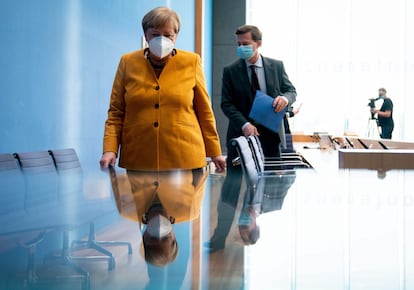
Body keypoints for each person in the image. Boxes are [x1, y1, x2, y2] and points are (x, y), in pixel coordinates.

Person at [99, 6, 226, 173]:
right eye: (155, 34)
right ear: (146, 35)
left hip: (185, 157)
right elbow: (116, 112)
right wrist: (110, 149)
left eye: (168, 35)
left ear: (176, 36)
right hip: (139, 157)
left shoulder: (191, 62)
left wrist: (215, 152)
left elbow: (204, 112)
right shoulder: (128, 62)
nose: (162, 40)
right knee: (141, 200)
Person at [205, 25, 297, 252]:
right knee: (230, 190)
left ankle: (267, 231)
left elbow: (291, 90)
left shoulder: (276, 66)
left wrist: (285, 99)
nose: (241, 48)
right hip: (240, 137)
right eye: (238, 45)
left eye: (246, 44)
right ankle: (219, 239)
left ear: (258, 43)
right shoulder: (231, 70)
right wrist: (244, 124)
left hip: (270, 138)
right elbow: (226, 104)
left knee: (268, 187)